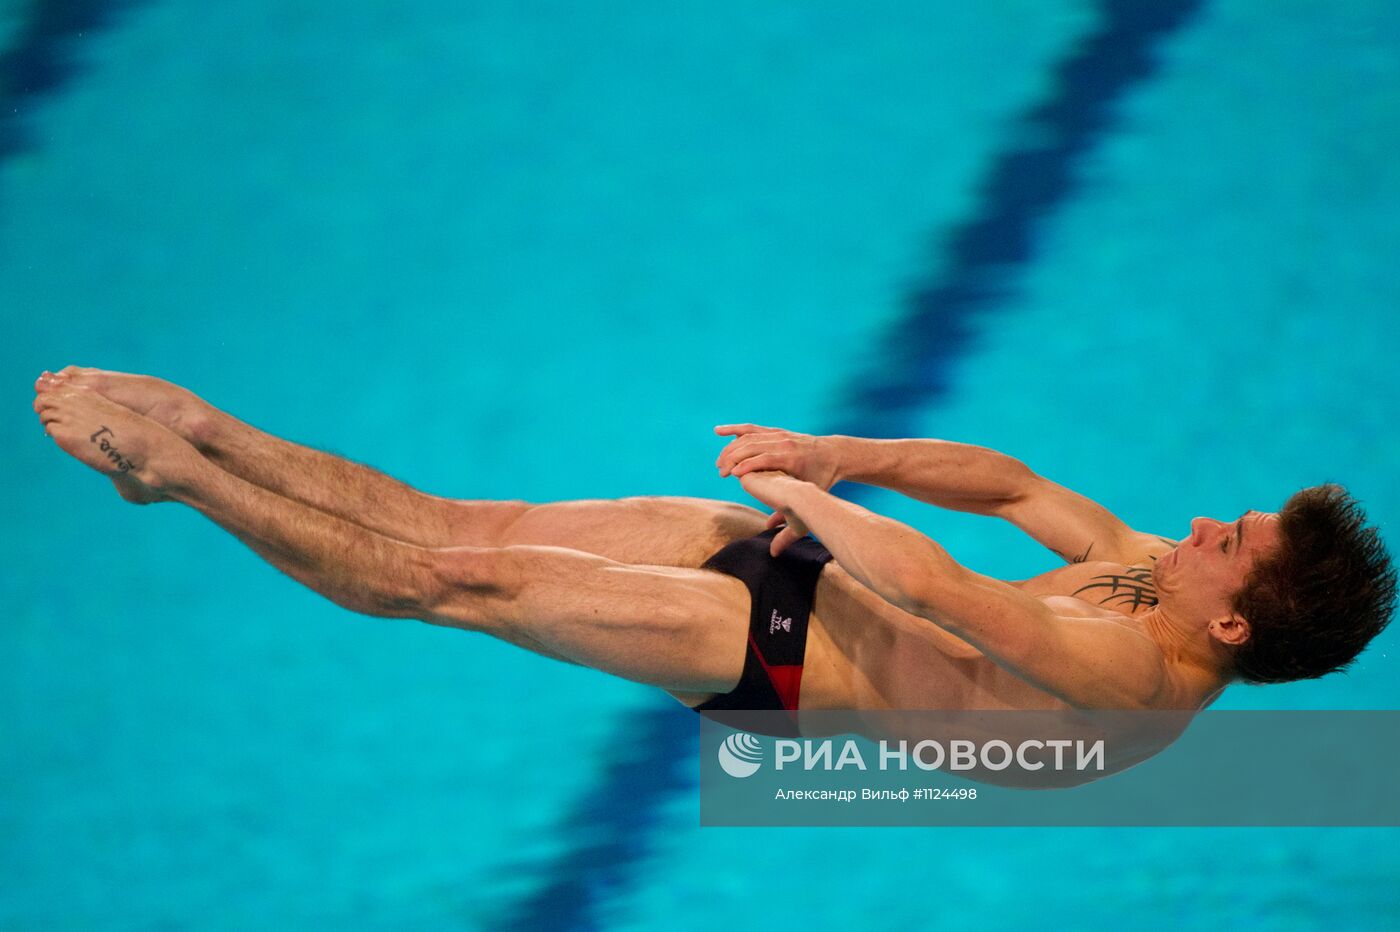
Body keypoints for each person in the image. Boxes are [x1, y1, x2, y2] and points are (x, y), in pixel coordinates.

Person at [33, 368, 1394, 746]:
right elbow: (1017, 488)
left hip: (790, 660)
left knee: (457, 584)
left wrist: (809, 496)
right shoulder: (1163, 573)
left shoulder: (1130, 681)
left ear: (1234, 629)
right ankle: (215, 438)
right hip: (811, 557)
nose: (1207, 523)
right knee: (469, 521)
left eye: (1235, 544)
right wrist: (841, 455)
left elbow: (936, 588)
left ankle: (179, 481)